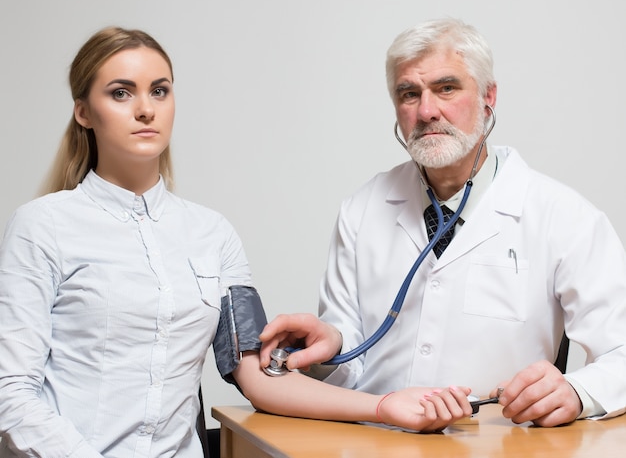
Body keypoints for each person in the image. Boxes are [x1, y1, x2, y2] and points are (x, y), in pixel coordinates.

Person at [0, 26, 482, 458]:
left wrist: (384, 406)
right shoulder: (42, 226)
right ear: (84, 112)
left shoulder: (213, 235)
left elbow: (256, 376)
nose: (146, 108)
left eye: (160, 91)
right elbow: (11, 394)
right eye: (121, 93)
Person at [260, 18, 626, 428]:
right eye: (409, 93)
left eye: (446, 88)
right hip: (378, 444)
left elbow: (622, 353)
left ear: (489, 97)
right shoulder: (362, 210)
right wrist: (332, 348)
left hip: (501, 447)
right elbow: (352, 372)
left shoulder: (563, 216)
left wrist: (577, 392)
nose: (427, 110)